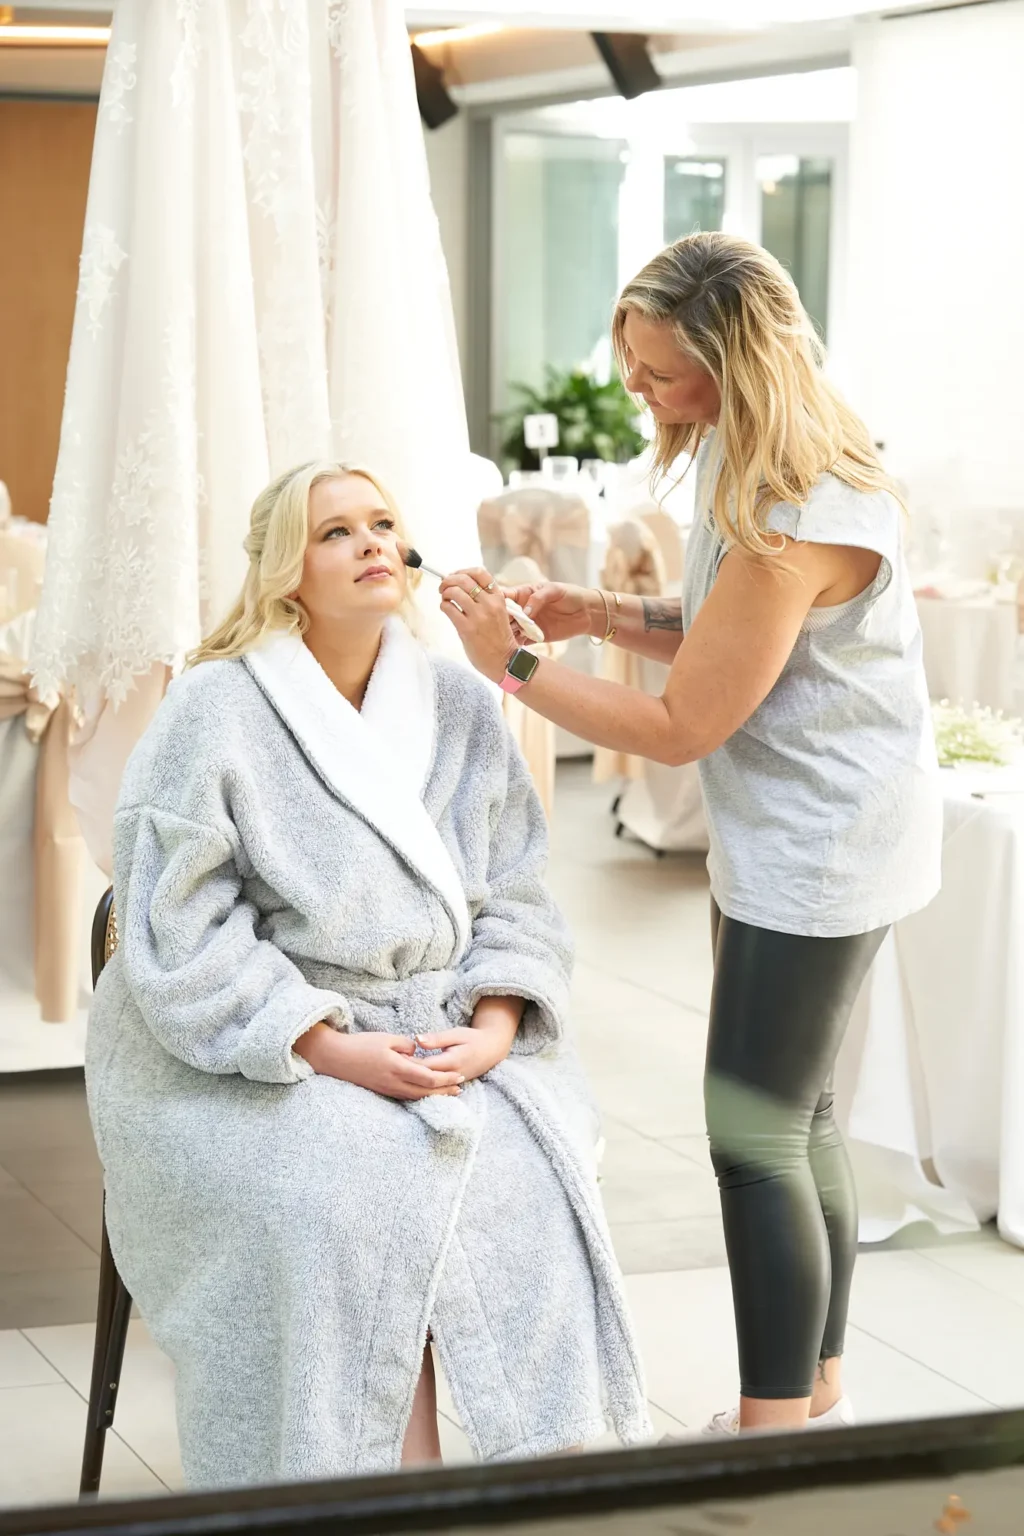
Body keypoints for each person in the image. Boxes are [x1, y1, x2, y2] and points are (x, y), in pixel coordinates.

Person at [440, 232, 942, 1438]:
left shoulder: (801, 508)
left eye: (659, 371)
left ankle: (769, 1442)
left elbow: (681, 725)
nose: (637, 388)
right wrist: (600, 611)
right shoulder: (753, 452)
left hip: (821, 849)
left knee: (751, 1136)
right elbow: (728, 632)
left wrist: (512, 664)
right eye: (632, 363)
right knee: (795, 1116)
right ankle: (814, 1399)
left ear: (734, 362)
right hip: (805, 831)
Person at [85, 461, 651, 1489]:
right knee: (342, 1193)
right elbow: (179, 926)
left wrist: (494, 1026)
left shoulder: (457, 699)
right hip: (254, 1046)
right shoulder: (214, 709)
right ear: (285, 569)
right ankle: (380, 1483)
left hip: (445, 1025)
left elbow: (516, 888)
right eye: (336, 531)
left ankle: (541, 1473)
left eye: (382, 524)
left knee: (526, 1173)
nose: (371, 544)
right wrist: (331, 1047)